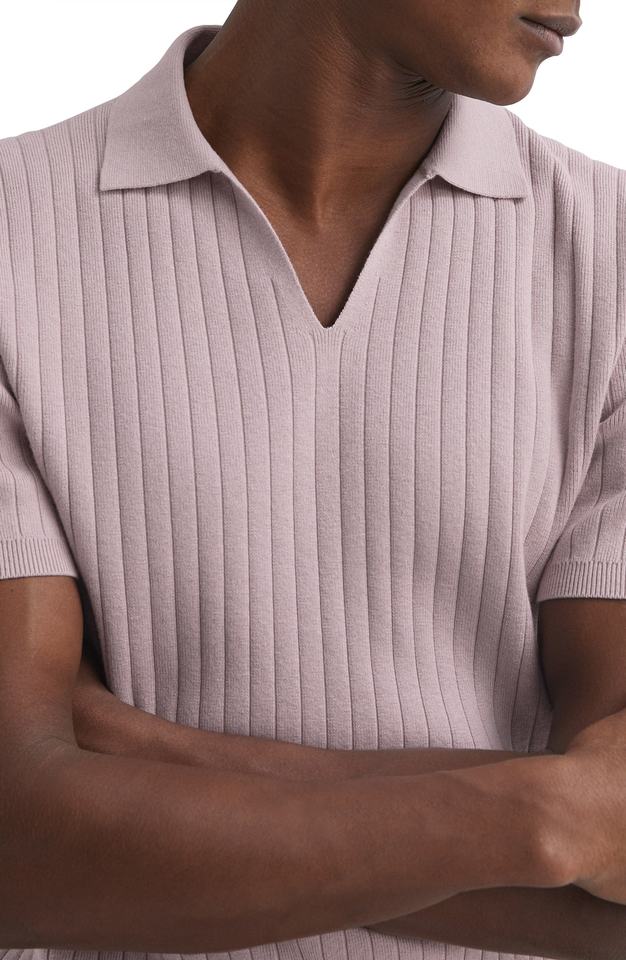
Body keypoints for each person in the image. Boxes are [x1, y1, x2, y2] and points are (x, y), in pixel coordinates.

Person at [2, 2, 626, 959]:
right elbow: (19, 842)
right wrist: (541, 819)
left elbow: (616, 873)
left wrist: (155, 759)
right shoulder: (15, 233)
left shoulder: (610, 257)